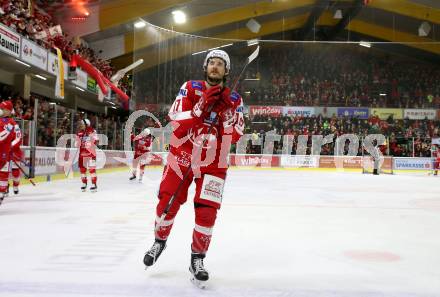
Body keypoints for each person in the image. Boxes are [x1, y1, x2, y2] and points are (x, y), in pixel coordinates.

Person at [143, 49, 244, 286]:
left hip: (214, 162)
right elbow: (175, 117)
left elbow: (237, 135)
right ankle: (159, 241)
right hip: (183, 155)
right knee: (167, 202)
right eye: (212, 63)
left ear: (226, 70)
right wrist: (200, 108)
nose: (216, 67)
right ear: (206, 67)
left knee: (207, 212)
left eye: (220, 64)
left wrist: (227, 115)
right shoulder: (190, 87)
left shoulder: (235, 99)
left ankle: (197, 259)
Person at [0, 101, 17, 204]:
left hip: (2, 152)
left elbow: (3, 136)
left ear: (8, 111)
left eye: (2, 108)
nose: (1, 109)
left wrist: (12, 148)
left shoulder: (11, 123)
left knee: (3, 172)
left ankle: (2, 192)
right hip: (4, 151)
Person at [76, 119, 98, 192]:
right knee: (82, 170)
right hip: (82, 155)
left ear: (86, 124)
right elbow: (77, 143)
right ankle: (84, 183)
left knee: (92, 170)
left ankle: (94, 184)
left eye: (82, 124)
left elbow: (96, 140)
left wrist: (90, 142)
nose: (81, 125)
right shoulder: (79, 132)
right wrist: (77, 143)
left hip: (91, 154)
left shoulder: (92, 131)